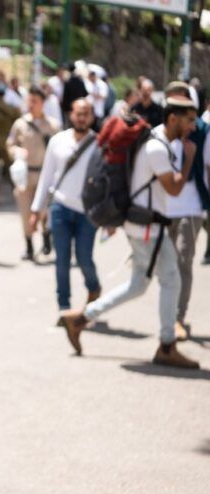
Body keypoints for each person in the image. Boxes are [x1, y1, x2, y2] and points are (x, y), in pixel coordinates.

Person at [61, 97, 200, 368]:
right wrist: (189, 158)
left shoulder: (156, 141)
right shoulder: (156, 148)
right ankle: (167, 345)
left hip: (143, 226)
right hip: (147, 229)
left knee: (138, 285)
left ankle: (79, 318)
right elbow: (174, 188)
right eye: (189, 120)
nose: (193, 127)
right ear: (173, 119)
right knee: (171, 280)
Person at [29, 99, 101, 315]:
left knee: (84, 258)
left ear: (92, 117)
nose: (82, 118)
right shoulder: (58, 141)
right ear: (71, 115)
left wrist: (108, 219)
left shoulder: (99, 144)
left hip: (87, 212)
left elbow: (105, 183)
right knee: (61, 260)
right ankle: (64, 307)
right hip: (60, 207)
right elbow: (46, 176)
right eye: (78, 113)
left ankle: (94, 287)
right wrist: (36, 210)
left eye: (86, 114)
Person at [162, 81, 209, 339]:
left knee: (183, 261)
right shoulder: (160, 132)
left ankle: (178, 317)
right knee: (165, 264)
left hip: (191, 205)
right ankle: (167, 316)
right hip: (163, 206)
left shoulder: (203, 131)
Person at [6, 85, 61, 260]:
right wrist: (16, 151)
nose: (31, 104)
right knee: (25, 211)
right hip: (24, 176)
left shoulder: (53, 125)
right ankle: (29, 245)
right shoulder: (20, 124)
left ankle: (46, 236)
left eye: (35, 101)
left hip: (45, 175)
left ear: (42, 103)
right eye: (29, 101)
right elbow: (10, 144)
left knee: (44, 211)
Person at [61, 63, 88, 127]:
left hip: (70, 108)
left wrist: (65, 108)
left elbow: (65, 96)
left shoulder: (68, 82)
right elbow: (85, 94)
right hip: (80, 107)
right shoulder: (80, 81)